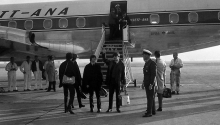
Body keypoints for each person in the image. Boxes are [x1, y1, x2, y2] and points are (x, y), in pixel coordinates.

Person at [142, 49, 157, 117]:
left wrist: (151, 84)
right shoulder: (147, 63)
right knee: (151, 97)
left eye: (144, 55)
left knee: (150, 98)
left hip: (150, 84)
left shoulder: (152, 63)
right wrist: (143, 83)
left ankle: (149, 112)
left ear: (147, 55)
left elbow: (153, 75)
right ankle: (153, 110)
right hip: (147, 83)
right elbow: (145, 74)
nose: (143, 56)